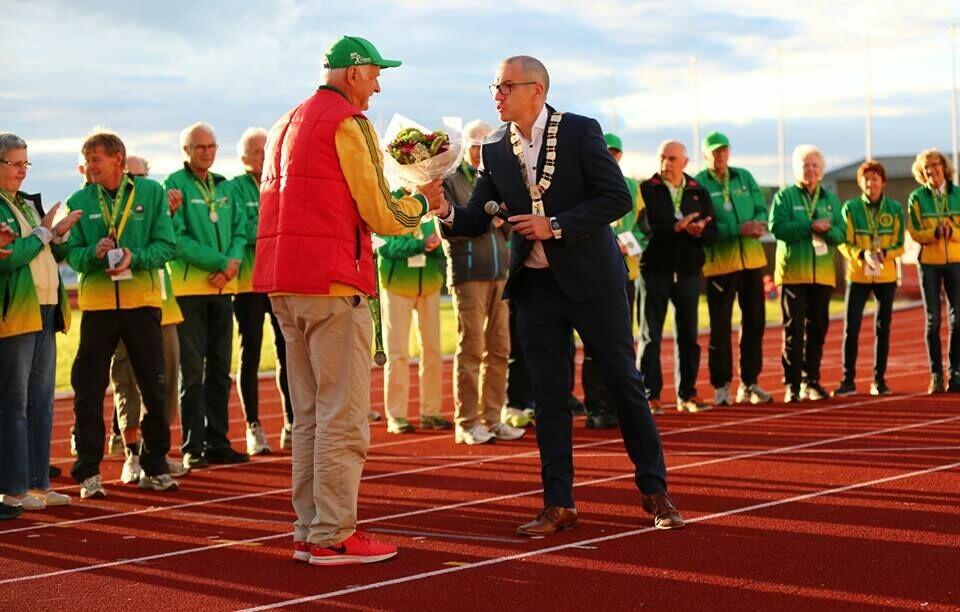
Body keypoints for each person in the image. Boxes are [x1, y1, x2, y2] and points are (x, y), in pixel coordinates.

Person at [439, 55, 684, 534]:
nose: (496, 95)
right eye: (494, 86)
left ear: (537, 90)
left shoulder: (579, 130)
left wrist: (554, 225)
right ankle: (558, 503)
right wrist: (442, 208)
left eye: (505, 86)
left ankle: (656, 493)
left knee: (623, 383)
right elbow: (473, 218)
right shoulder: (494, 147)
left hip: (594, 282)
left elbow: (617, 198)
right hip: (536, 288)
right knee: (548, 396)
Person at [253, 35, 448, 565]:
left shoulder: (285, 122)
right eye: (376, 75)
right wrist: (421, 202)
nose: (378, 87)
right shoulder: (348, 122)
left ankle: (310, 528)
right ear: (354, 72)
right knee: (342, 415)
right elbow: (380, 212)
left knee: (310, 416)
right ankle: (333, 533)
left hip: (283, 280)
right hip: (333, 281)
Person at [65, 130, 179, 498]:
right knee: (88, 389)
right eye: (87, 160)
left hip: (141, 303)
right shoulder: (79, 200)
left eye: (95, 159)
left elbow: (167, 246)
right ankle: (88, 472)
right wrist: (93, 254)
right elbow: (72, 255)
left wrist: (135, 257)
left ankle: (155, 465)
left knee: (154, 386)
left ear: (118, 159)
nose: (89, 166)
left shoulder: (151, 193)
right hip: (98, 308)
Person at [0, 132, 81, 511]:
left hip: (47, 309)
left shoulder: (27, 204)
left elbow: (46, 251)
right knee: (14, 403)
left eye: (25, 164)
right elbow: (10, 258)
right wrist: (41, 235)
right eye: (15, 164)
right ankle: (13, 488)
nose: (22, 171)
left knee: (41, 402)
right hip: (16, 312)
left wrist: (57, 235)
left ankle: (38, 483)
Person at [164, 122, 249, 469]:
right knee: (192, 373)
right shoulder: (173, 185)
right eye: (200, 147)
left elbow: (241, 230)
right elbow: (176, 239)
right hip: (190, 292)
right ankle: (192, 446)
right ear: (186, 150)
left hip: (223, 288)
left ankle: (218, 441)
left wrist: (232, 264)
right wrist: (220, 262)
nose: (207, 152)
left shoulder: (224, 186)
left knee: (219, 370)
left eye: (212, 146)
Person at [441, 119, 525, 444]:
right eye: (476, 146)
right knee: (472, 348)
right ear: (465, 147)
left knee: (500, 349)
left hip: (500, 273)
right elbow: (449, 228)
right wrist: (486, 218)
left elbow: (510, 227)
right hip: (469, 274)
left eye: (486, 146)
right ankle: (466, 422)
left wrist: (504, 217)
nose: (480, 152)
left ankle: (492, 418)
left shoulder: (496, 180)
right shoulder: (450, 179)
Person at [106, 154, 188, 482]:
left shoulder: (155, 207)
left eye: (143, 177)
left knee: (163, 384)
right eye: (131, 176)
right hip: (124, 307)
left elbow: (171, 247)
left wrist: (170, 217)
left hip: (163, 307)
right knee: (127, 383)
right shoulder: (113, 211)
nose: (137, 183)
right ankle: (132, 454)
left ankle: (158, 452)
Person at [636, 140, 717, 414]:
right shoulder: (646, 189)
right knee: (650, 336)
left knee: (688, 335)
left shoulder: (698, 191)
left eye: (672, 159)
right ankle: (650, 395)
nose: (666, 163)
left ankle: (688, 394)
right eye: (662, 157)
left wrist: (699, 231)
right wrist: (675, 228)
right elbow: (643, 229)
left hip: (688, 272)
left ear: (685, 162)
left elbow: (713, 233)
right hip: (654, 271)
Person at [694, 132, 772, 406]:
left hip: (752, 260)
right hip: (720, 264)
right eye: (715, 151)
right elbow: (705, 224)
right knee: (720, 327)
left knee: (754, 323)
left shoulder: (744, 176)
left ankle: (750, 383)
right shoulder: (698, 183)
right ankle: (721, 385)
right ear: (705, 155)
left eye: (724, 150)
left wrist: (758, 223)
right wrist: (737, 229)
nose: (720, 155)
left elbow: (762, 208)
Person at [231, 127, 294, 454]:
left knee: (288, 352)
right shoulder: (233, 188)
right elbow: (240, 229)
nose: (265, 154)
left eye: (268, 148)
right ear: (244, 157)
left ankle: (292, 423)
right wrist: (272, 228)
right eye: (258, 151)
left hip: (279, 280)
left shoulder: (281, 182)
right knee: (251, 353)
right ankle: (253, 426)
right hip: (248, 283)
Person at [769, 145, 845, 403]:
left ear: (821, 170)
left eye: (815, 165)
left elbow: (841, 234)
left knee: (817, 330)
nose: (810, 170)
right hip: (793, 274)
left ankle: (811, 380)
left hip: (822, 275)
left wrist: (826, 231)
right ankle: (792, 384)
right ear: (797, 169)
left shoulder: (830, 199)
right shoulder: (785, 196)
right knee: (794, 330)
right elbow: (777, 227)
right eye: (805, 165)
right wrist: (809, 226)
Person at [579, 132, 644, 429]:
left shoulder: (632, 186)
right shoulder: (582, 183)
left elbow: (643, 228)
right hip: (593, 275)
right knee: (594, 344)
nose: (611, 156)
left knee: (620, 343)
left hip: (625, 273)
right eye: (607, 151)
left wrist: (632, 243)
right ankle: (596, 406)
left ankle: (618, 403)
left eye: (615, 152)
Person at [377, 212, 452, 435]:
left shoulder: (431, 208)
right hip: (396, 288)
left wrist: (437, 246)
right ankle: (396, 415)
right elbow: (384, 246)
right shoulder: (389, 203)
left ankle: (431, 411)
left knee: (433, 351)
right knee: (397, 353)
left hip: (429, 286)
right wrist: (420, 245)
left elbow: (445, 244)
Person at [833, 161, 904, 397]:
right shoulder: (850, 208)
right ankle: (848, 380)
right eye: (866, 179)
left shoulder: (894, 208)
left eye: (875, 179)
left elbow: (900, 243)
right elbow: (843, 241)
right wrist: (861, 254)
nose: (870, 183)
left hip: (886, 275)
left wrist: (886, 253)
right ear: (860, 183)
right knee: (851, 328)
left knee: (883, 328)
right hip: (858, 275)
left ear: (883, 182)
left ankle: (879, 380)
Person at [907, 149, 960, 394]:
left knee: (957, 318)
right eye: (926, 167)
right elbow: (915, 231)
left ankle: (956, 373)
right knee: (933, 320)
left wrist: (953, 233)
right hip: (929, 263)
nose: (931, 170)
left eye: (935, 164)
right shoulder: (917, 197)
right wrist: (934, 234)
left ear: (944, 167)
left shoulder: (957, 194)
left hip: (956, 261)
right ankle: (936, 375)